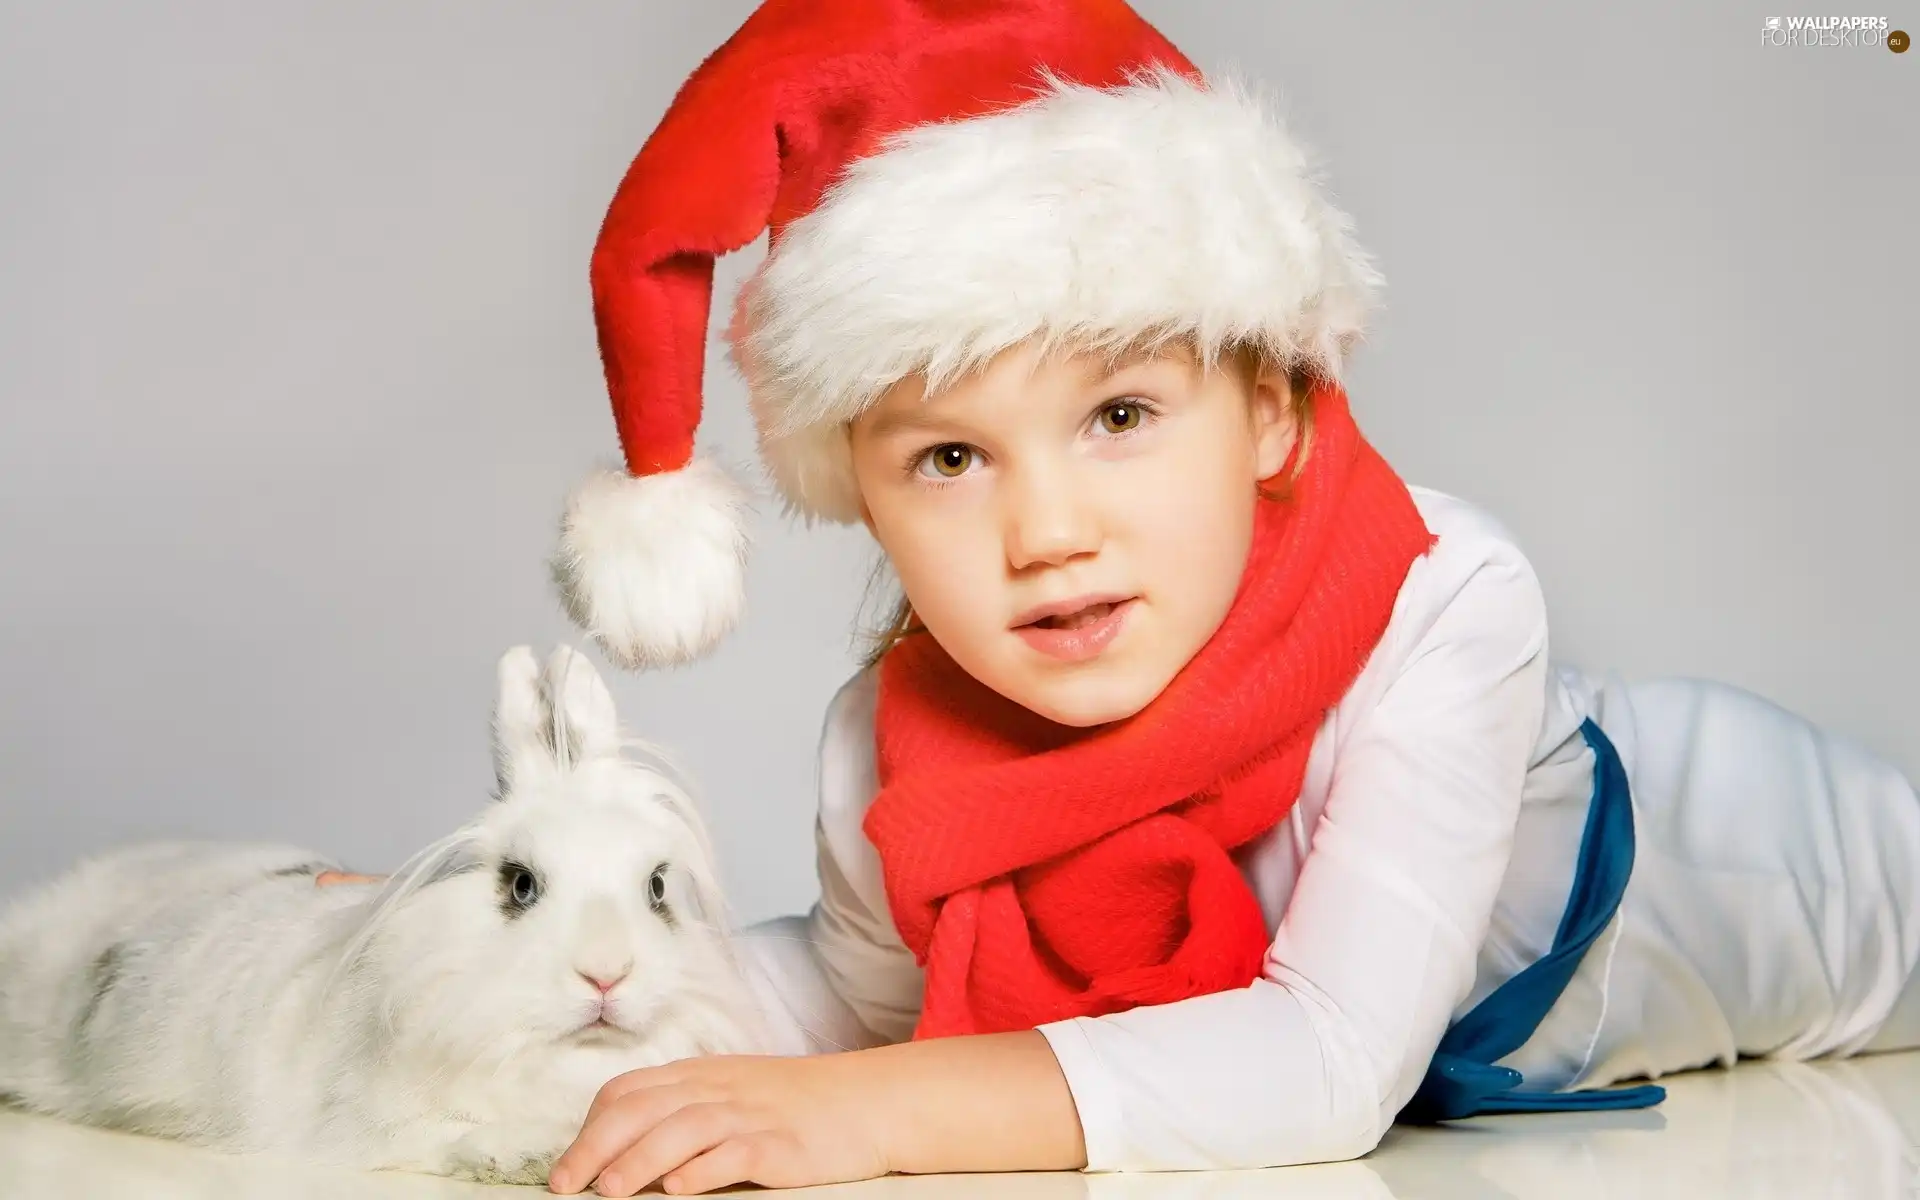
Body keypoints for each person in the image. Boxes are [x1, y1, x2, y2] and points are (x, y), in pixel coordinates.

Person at [328, 1, 1920, 1194]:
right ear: (857, 492)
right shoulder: (886, 749)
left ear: (1278, 410)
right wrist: (474, 945)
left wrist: (868, 1121)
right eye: (950, 457)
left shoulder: (1442, 597)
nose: (1046, 529)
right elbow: (839, 985)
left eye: (1121, 418)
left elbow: (1326, 1061)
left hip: (1787, 862)